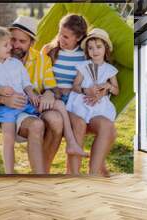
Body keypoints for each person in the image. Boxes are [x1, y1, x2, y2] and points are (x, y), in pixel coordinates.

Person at [0, 16, 66, 173]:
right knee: (36, 125)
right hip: (13, 113)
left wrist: (49, 93)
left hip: (36, 107)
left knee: (56, 120)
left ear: (31, 43)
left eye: (22, 41)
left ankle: (42, 171)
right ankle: (39, 175)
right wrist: (2, 99)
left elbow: (53, 88)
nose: (15, 46)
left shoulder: (42, 60)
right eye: (13, 40)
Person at [0, 25, 41, 174]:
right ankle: (9, 173)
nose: (11, 47)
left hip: (24, 103)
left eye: (9, 44)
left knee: (47, 115)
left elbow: (26, 83)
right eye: (6, 45)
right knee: (8, 141)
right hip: (6, 110)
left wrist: (32, 94)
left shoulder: (16, 63)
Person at [67, 28, 119, 176]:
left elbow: (116, 90)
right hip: (81, 104)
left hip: (98, 108)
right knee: (80, 125)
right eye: (90, 48)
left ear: (106, 49)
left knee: (108, 126)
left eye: (98, 47)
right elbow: (75, 86)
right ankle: (74, 172)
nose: (94, 51)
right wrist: (86, 90)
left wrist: (108, 86)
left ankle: (94, 172)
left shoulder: (110, 70)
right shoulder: (83, 66)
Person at [42, 14, 91, 172]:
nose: (61, 39)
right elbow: (39, 76)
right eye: (60, 33)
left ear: (79, 37)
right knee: (57, 123)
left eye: (66, 37)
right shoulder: (49, 51)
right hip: (52, 99)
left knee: (80, 123)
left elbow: (86, 80)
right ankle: (43, 171)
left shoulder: (84, 56)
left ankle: (72, 173)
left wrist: (71, 89)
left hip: (73, 101)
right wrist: (51, 90)